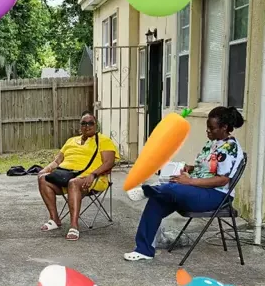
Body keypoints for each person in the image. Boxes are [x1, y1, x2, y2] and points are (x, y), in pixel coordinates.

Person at [124, 106, 245, 261]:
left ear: (225, 127)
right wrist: (189, 168)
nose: (208, 131)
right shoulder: (213, 143)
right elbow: (206, 168)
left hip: (217, 195)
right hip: (198, 189)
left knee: (173, 188)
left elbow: (222, 179)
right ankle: (144, 250)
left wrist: (189, 181)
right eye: (207, 127)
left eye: (212, 128)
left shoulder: (230, 148)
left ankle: (148, 190)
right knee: (158, 199)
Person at [38, 111, 119, 240]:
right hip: (65, 176)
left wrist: (92, 175)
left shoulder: (104, 140)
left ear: (96, 125)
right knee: (43, 178)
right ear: (80, 126)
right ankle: (54, 219)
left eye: (90, 123)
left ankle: (74, 226)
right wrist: (45, 169)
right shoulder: (71, 140)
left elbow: (109, 162)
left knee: (74, 183)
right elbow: (57, 161)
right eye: (84, 123)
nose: (87, 126)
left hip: (93, 179)